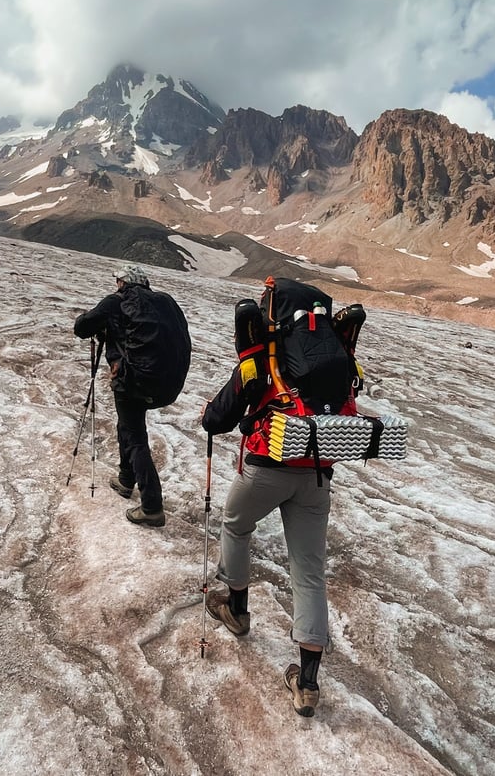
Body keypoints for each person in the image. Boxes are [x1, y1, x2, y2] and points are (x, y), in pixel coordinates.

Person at [201, 294, 338, 719]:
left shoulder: (263, 358)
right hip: (316, 475)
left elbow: (218, 417)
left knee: (236, 526)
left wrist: (212, 414)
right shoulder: (334, 356)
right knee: (309, 569)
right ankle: (308, 683)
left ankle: (237, 610)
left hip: (265, 468)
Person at [73, 264, 190, 528]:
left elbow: (81, 327)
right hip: (167, 384)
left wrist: (95, 323)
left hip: (133, 382)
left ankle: (152, 506)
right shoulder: (165, 302)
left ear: (123, 283)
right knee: (127, 425)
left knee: (135, 436)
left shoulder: (117, 302)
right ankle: (126, 479)